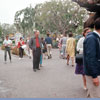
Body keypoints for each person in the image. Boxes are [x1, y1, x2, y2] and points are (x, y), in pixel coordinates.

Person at [83, 18, 100, 98]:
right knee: (96, 95)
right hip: (94, 74)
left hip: (95, 72)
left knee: (93, 94)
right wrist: (94, 76)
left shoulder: (96, 38)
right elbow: (90, 58)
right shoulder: (92, 39)